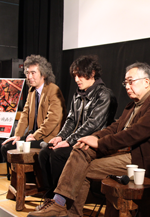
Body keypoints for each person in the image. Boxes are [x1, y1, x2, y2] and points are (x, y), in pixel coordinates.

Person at [27, 62, 150, 217]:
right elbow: (114, 128)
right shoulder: (132, 105)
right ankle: (60, 207)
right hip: (122, 154)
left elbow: (133, 134)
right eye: (125, 82)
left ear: (146, 82)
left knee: (81, 166)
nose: (127, 86)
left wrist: (99, 142)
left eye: (131, 81)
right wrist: (91, 137)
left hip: (140, 160)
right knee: (81, 149)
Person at [38, 55, 117, 199]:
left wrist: (69, 141)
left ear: (92, 73)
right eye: (75, 76)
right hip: (78, 140)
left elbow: (93, 124)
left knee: (58, 154)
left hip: (94, 143)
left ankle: (61, 198)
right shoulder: (78, 94)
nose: (76, 80)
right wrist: (60, 137)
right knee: (45, 152)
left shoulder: (105, 94)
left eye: (80, 75)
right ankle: (50, 195)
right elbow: (71, 120)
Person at [1, 55, 66, 179]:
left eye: (33, 73)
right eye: (27, 73)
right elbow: (25, 114)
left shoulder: (53, 90)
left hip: (47, 137)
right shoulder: (31, 91)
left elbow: (53, 119)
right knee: (6, 147)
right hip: (34, 135)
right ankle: (22, 179)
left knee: (19, 148)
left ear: (44, 74)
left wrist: (35, 135)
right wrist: (18, 135)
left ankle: (32, 179)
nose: (29, 76)